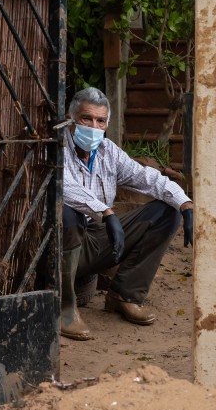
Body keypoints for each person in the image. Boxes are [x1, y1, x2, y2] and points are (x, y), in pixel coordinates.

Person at [59, 87, 195, 341]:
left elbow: (147, 177)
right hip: (60, 245)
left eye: (100, 121)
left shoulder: (107, 151)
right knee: (69, 213)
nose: (93, 126)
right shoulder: (56, 147)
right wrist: (106, 212)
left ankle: (126, 294)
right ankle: (65, 309)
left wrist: (185, 203)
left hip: (98, 238)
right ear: (71, 119)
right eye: (86, 118)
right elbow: (63, 185)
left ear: (107, 123)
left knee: (167, 210)